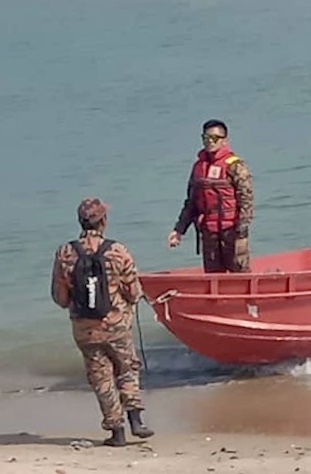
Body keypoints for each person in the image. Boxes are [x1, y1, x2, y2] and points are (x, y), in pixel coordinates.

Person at [50, 197, 155, 446]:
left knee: (101, 378)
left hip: (85, 329)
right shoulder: (117, 250)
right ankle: (136, 420)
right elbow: (133, 292)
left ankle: (116, 432)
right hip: (116, 324)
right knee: (127, 369)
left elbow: (60, 298)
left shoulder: (65, 253)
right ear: (103, 221)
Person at [167, 119, 254, 273]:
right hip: (209, 233)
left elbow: (246, 202)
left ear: (224, 141)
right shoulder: (198, 167)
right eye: (205, 138)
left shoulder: (236, 166)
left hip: (232, 231)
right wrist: (179, 230)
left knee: (239, 275)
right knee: (213, 277)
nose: (209, 142)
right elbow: (191, 203)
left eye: (214, 138)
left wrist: (241, 235)